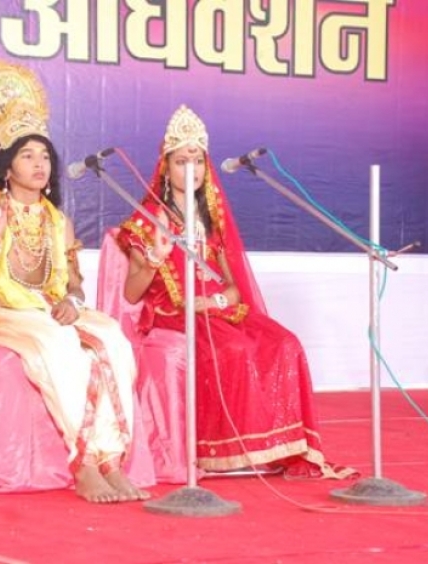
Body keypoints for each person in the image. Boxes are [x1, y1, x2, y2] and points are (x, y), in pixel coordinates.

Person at [117, 104, 354, 479]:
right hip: (175, 315)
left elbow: (233, 288)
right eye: (181, 161)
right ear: (165, 168)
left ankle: (272, 449)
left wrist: (214, 300)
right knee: (234, 349)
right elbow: (131, 295)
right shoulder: (147, 221)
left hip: (218, 311)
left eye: (198, 160)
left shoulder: (212, 219)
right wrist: (152, 261)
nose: (191, 169)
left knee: (286, 343)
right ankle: (225, 453)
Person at [0, 60, 148, 503]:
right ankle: (85, 463)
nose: (39, 163)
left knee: (114, 339)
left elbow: (74, 286)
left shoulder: (59, 221)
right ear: (7, 166)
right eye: (27, 155)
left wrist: (74, 303)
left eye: (44, 155)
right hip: (9, 315)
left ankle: (112, 459)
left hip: (53, 310)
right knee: (60, 344)